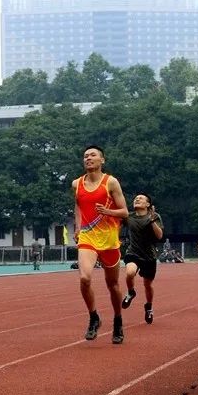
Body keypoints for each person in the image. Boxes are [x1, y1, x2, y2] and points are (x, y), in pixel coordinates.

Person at [71, 145, 129, 344]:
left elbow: (125, 212)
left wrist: (108, 211)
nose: (88, 158)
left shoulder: (110, 182)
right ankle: (94, 316)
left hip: (110, 240)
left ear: (102, 160)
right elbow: (78, 206)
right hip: (88, 237)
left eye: (93, 155)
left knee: (112, 285)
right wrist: (78, 227)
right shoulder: (76, 184)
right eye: (85, 156)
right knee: (85, 278)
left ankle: (118, 320)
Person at [122, 194, 163, 324]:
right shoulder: (128, 216)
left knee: (147, 284)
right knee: (129, 272)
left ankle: (149, 307)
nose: (137, 199)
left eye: (141, 198)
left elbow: (159, 236)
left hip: (149, 256)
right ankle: (131, 292)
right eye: (135, 198)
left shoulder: (154, 216)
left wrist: (151, 220)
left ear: (147, 204)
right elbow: (115, 224)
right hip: (133, 252)